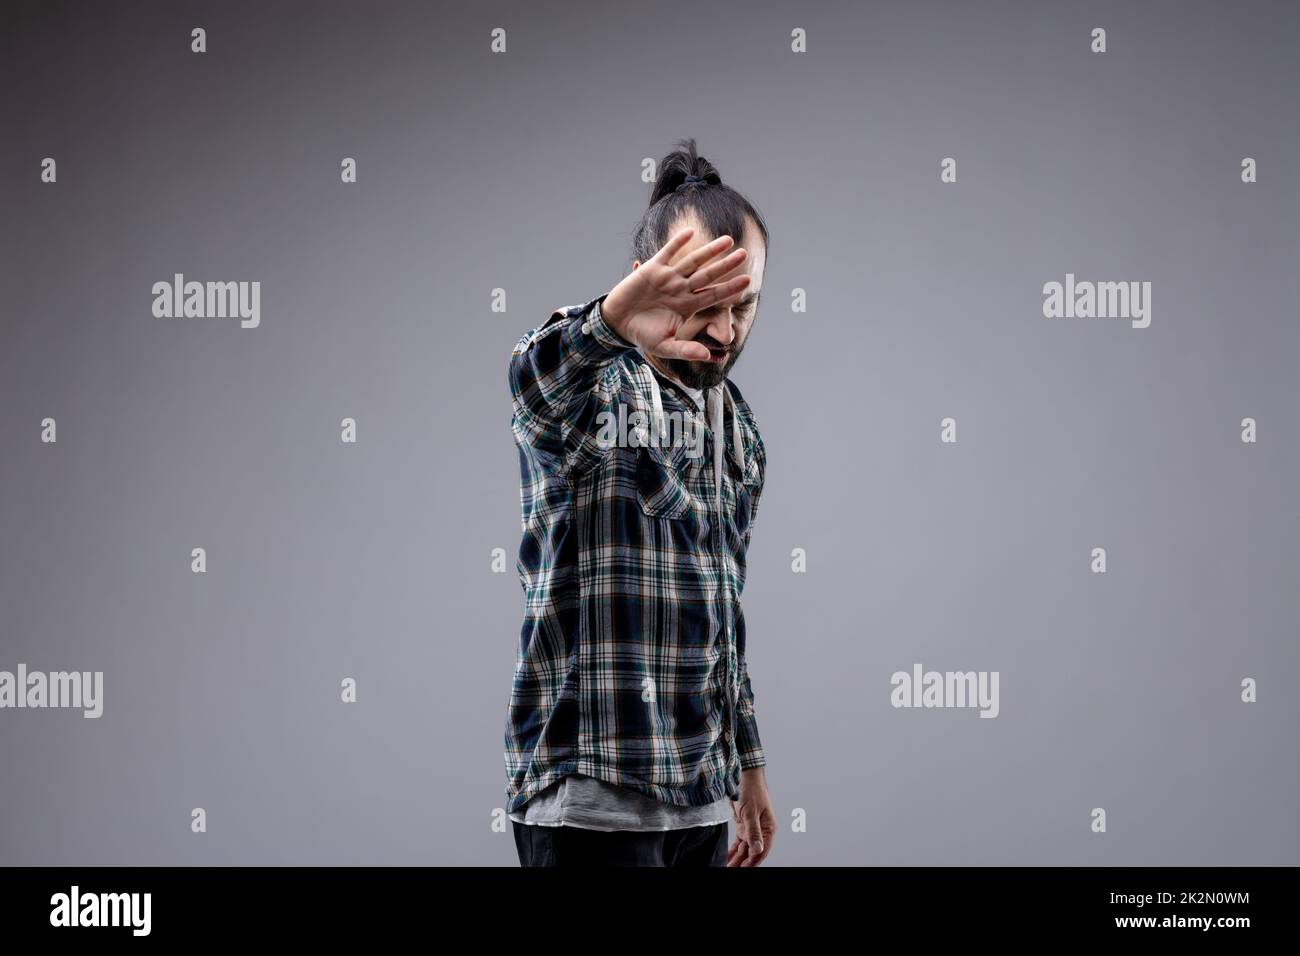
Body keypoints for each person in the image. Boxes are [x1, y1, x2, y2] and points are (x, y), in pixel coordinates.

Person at [504, 138, 775, 867]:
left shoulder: (736, 425)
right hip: (593, 803)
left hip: (698, 799)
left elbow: (722, 609)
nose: (724, 331)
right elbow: (533, 386)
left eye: (743, 306)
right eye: (702, 303)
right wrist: (612, 321)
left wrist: (746, 766)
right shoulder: (599, 385)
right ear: (643, 285)